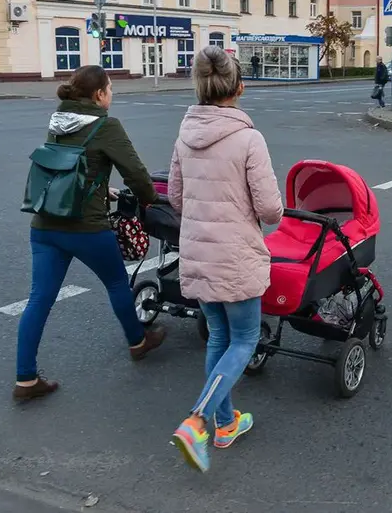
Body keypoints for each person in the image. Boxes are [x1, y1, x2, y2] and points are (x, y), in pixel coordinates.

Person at [14, 66, 163, 402]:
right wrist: (150, 200)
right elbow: (136, 174)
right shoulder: (106, 125)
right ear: (99, 95)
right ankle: (138, 342)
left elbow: (68, 167)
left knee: (39, 300)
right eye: (110, 89)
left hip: (45, 225)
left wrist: (101, 188)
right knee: (115, 282)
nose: (111, 95)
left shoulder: (58, 120)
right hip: (85, 227)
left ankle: (25, 379)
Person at [169, 46, 284, 473]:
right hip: (235, 257)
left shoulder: (184, 134)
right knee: (244, 339)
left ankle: (224, 423)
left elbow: (177, 197)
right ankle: (198, 419)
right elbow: (271, 209)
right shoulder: (248, 138)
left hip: (198, 253)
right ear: (240, 87)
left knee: (218, 337)